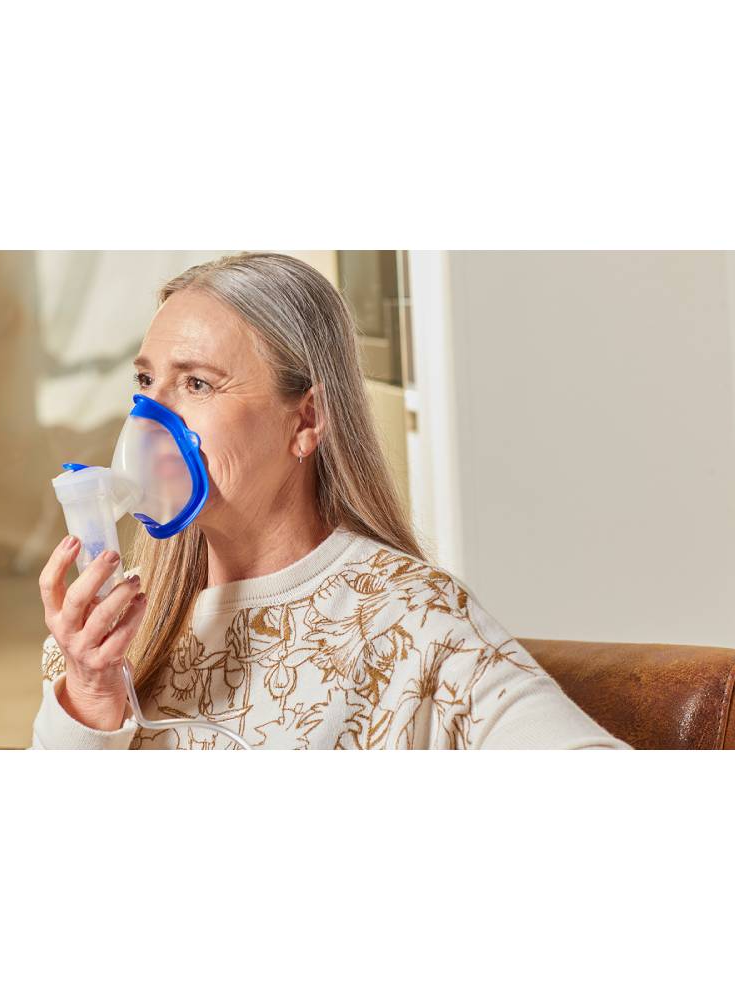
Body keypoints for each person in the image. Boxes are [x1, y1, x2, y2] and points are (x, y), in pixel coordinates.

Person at [32, 253, 631, 750]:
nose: (149, 415)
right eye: (145, 381)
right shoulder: (110, 639)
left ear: (306, 420)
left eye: (197, 383)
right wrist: (90, 695)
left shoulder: (412, 621)